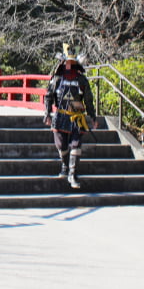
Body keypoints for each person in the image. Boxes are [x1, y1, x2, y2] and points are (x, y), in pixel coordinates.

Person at [43, 44, 97, 189]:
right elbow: (48, 96)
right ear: (63, 63)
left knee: (76, 144)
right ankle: (65, 165)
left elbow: (88, 99)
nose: (70, 65)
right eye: (68, 63)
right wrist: (47, 113)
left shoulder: (82, 80)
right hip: (60, 116)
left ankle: (73, 174)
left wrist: (93, 117)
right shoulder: (57, 79)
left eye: (73, 63)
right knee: (61, 145)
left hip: (77, 117)